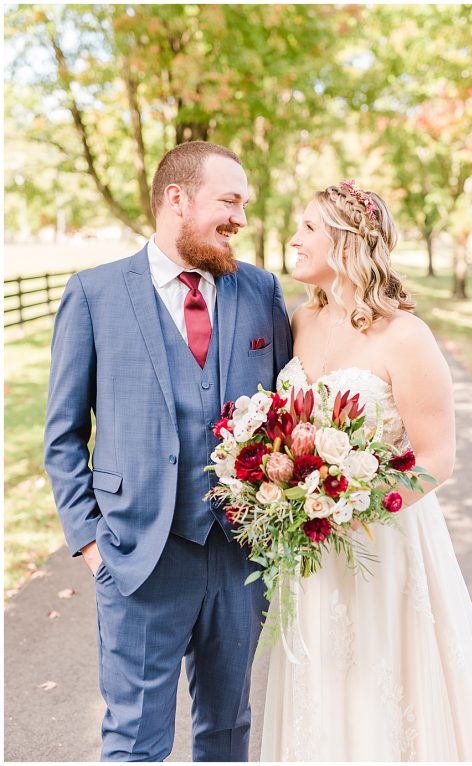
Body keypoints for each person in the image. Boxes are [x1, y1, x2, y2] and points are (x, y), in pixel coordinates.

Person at [43, 141, 293, 760]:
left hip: (239, 558)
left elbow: (292, 417)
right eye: (228, 201)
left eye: (243, 204)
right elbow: (63, 435)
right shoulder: (95, 295)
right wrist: (92, 542)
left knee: (228, 731)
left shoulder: (261, 291)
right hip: (137, 556)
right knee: (134, 740)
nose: (240, 219)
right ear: (176, 200)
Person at [259, 181, 472, 761]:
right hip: (312, 545)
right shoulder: (301, 321)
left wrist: (359, 508)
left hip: (382, 542)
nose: (294, 240)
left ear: (346, 242)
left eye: (308, 229)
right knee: (319, 682)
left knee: (382, 679)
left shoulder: (405, 336)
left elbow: (436, 460)